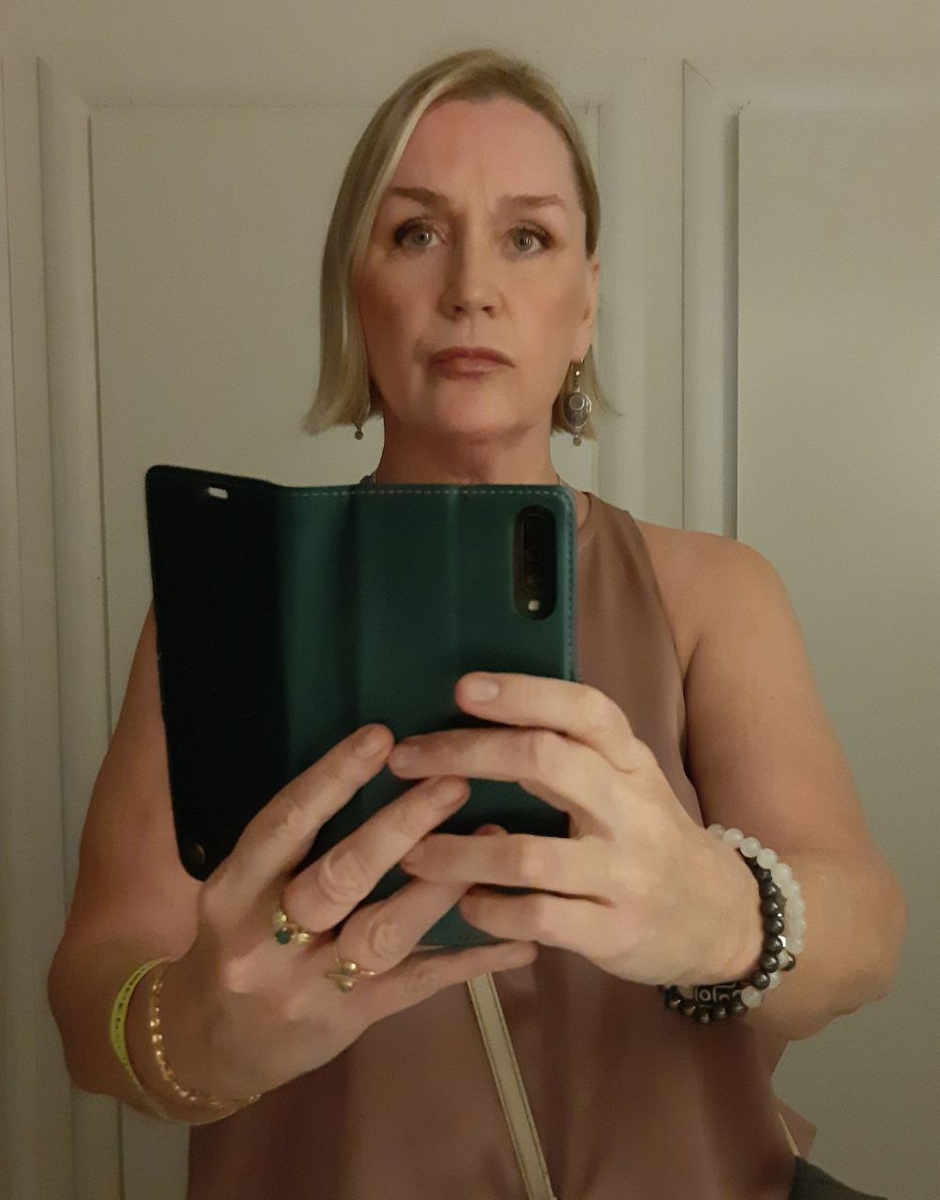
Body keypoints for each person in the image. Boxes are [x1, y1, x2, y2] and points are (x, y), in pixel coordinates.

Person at [49, 48, 905, 1199]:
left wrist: (719, 914)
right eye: (415, 233)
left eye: (527, 237)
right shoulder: (230, 604)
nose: (470, 287)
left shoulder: (713, 594)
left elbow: (866, 935)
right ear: (353, 291)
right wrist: (198, 1035)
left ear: (586, 303)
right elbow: (90, 995)